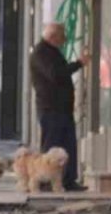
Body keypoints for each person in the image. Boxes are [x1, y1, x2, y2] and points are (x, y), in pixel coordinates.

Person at [29, 22, 89, 191]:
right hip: (51, 108)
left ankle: (68, 180)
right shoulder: (41, 53)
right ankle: (46, 181)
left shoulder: (53, 52)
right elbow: (56, 74)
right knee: (52, 147)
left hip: (63, 108)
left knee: (68, 145)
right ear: (53, 37)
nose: (65, 41)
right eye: (63, 37)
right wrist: (78, 63)